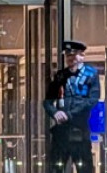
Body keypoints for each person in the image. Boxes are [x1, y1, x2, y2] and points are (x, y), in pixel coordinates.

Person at [43, 40, 100, 173]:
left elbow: (92, 100)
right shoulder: (60, 76)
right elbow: (47, 102)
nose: (71, 59)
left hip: (79, 130)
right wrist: (55, 113)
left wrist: (69, 114)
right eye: (68, 56)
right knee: (55, 168)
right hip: (61, 133)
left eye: (74, 56)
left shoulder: (91, 74)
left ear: (82, 56)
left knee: (83, 168)